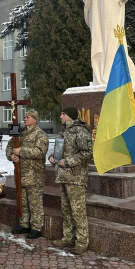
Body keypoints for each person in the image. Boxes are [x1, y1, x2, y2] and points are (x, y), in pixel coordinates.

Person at [49, 106, 92, 254]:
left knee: (77, 211)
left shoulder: (80, 131)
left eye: (63, 114)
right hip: (63, 176)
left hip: (75, 177)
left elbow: (87, 153)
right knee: (66, 209)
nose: (60, 117)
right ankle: (68, 237)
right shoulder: (64, 131)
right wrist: (53, 157)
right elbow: (59, 150)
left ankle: (81, 242)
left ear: (69, 116)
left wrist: (68, 162)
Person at [6, 109, 49, 240]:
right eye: (24, 117)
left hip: (34, 175)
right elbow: (9, 146)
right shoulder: (19, 133)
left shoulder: (40, 134)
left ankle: (36, 227)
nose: (25, 119)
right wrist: (12, 155)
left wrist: (21, 151)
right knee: (22, 201)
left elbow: (40, 152)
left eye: (28, 117)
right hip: (20, 174)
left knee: (34, 202)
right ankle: (24, 224)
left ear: (35, 120)